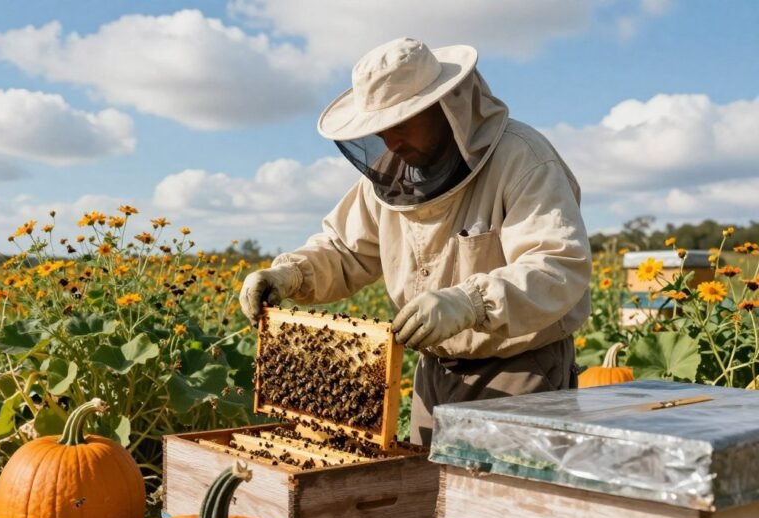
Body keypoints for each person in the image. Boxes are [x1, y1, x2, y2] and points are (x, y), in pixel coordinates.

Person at [239, 38, 591, 445]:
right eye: (378, 130)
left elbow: (557, 264)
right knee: (428, 498)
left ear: (443, 106)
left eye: (401, 123)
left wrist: (469, 302)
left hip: (519, 369)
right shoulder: (391, 175)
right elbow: (344, 250)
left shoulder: (522, 159)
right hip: (434, 372)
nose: (390, 142)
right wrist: (290, 274)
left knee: (504, 502)